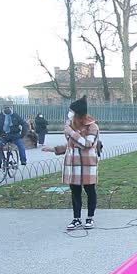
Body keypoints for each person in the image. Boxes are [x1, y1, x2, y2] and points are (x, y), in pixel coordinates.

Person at [42, 96, 100, 230]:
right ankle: (76, 218)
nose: (70, 114)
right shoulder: (72, 126)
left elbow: (87, 144)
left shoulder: (92, 127)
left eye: (72, 112)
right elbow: (71, 146)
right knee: (75, 192)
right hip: (73, 165)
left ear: (79, 114)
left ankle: (90, 218)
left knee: (89, 190)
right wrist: (54, 149)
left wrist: (71, 132)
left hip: (87, 165)